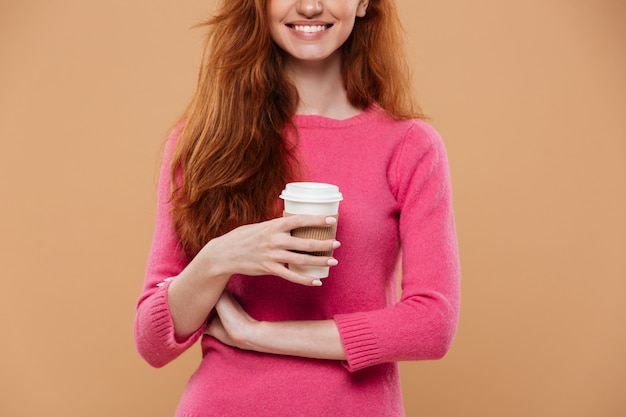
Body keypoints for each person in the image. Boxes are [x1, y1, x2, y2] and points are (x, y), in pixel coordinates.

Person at [134, 0, 460, 415]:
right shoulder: (202, 142)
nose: (308, 6)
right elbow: (151, 340)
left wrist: (256, 334)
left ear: (363, 4)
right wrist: (219, 257)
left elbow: (431, 325)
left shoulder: (410, 147)